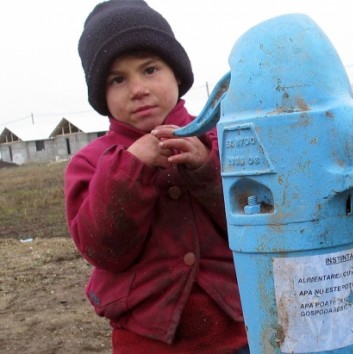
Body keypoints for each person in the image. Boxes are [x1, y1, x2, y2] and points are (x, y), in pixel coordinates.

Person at [64, 1, 249, 353]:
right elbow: (104, 250)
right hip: (147, 341)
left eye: (150, 70)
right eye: (118, 79)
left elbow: (256, 221)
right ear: (101, 95)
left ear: (177, 73)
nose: (137, 89)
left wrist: (205, 168)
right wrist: (129, 170)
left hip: (239, 330)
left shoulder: (221, 138)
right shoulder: (90, 163)